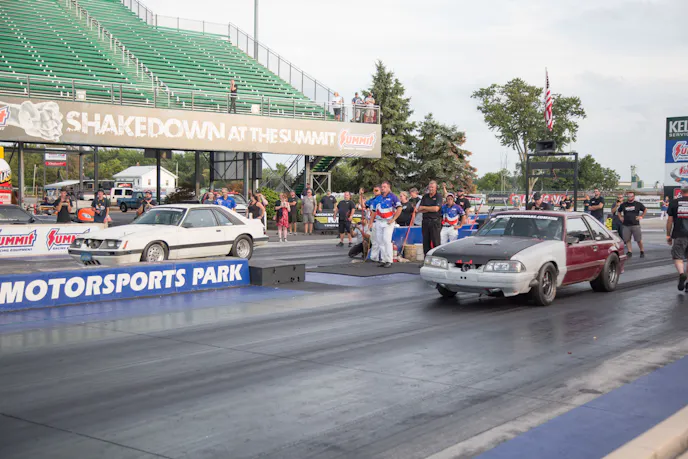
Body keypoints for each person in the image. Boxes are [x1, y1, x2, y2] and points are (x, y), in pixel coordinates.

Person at [369, 181, 401, 268]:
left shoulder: (393, 197)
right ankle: (383, 259)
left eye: (385, 187)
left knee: (386, 240)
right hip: (379, 221)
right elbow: (373, 212)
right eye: (382, 187)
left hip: (388, 221)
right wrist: (371, 222)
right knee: (380, 241)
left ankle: (389, 260)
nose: (383, 188)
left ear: (389, 187)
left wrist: (393, 219)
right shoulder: (378, 198)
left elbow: (399, 208)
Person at [666, 185, 688, 290]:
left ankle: (682, 273)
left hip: (679, 234)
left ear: (681, 192)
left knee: (678, 257)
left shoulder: (674, 203)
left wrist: (668, 234)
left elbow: (669, 220)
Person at [618, 191, 647, 258]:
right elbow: (619, 211)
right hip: (626, 225)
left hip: (635, 225)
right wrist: (620, 217)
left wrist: (641, 216)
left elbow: (645, 209)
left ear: (634, 197)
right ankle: (629, 251)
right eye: (628, 196)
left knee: (638, 239)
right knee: (627, 239)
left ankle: (642, 251)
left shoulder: (638, 204)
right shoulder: (623, 204)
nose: (630, 197)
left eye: (631, 196)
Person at [417, 180, 443, 255]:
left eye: (432, 187)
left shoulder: (438, 196)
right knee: (426, 242)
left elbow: (436, 209)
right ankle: (426, 258)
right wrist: (430, 208)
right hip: (425, 221)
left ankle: (437, 258)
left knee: (436, 242)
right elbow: (419, 209)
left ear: (436, 188)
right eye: (430, 187)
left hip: (435, 222)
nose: (431, 189)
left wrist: (425, 207)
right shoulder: (425, 197)